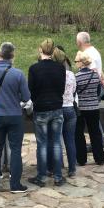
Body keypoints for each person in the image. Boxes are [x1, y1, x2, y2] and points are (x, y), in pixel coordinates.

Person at [0, 42, 30, 194]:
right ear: (13, 56)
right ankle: (15, 184)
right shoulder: (19, 74)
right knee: (16, 149)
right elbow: (26, 97)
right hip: (15, 116)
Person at [27, 39, 66, 187]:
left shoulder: (34, 69)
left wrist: (37, 101)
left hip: (41, 108)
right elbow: (61, 89)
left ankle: (42, 177)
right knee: (56, 143)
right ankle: (57, 176)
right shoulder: (60, 68)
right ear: (53, 51)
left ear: (40, 50)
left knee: (42, 144)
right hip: (57, 107)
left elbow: (31, 91)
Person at [76, 32, 104, 147]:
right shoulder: (95, 51)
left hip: (91, 89)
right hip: (96, 86)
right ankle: (99, 142)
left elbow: (93, 70)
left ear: (79, 42)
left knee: (93, 120)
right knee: (94, 118)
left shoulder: (87, 54)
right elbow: (99, 71)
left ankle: (100, 142)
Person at [74, 51, 104, 165]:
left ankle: (81, 159)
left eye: (76, 61)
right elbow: (98, 91)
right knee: (95, 132)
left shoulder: (76, 77)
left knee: (79, 134)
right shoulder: (95, 75)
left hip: (81, 108)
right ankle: (99, 158)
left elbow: (74, 92)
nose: (75, 63)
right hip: (94, 108)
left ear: (82, 63)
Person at [50, 47, 77, 178]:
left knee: (57, 141)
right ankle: (72, 168)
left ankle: (58, 166)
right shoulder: (71, 74)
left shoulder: (54, 74)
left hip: (58, 108)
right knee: (70, 140)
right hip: (70, 108)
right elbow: (73, 91)